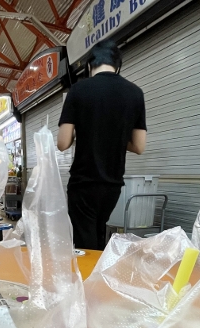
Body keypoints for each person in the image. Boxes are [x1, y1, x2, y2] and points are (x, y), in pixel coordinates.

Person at [57, 39, 147, 250]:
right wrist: (113, 136)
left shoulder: (78, 90)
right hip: (112, 186)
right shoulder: (135, 93)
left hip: (83, 185)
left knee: (83, 245)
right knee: (99, 237)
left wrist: (86, 133)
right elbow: (139, 146)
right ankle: (97, 280)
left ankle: (85, 282)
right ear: (118, 66)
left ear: (90, 65)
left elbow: (63, 143)